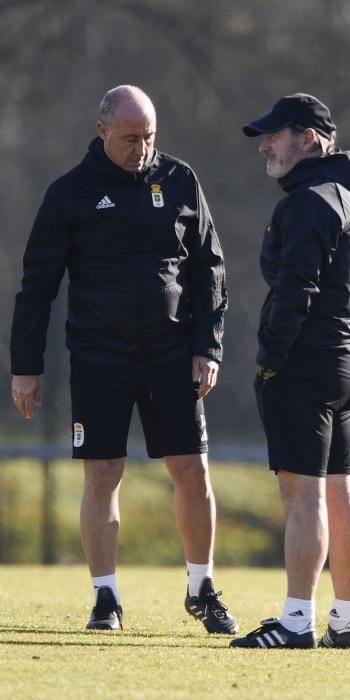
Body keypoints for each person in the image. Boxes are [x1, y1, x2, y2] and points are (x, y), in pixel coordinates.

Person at [10, 85, 238, 635]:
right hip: (98, 357)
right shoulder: (70, 193)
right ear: (103, 131)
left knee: (192, 470)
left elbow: (210, 269)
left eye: (150, 137)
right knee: (104, 474)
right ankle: (105, 599)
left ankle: (202, 589)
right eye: (132, 137)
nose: (142, 147)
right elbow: (37, 284)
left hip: (172, 355)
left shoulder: (180, 180)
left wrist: (208, 348)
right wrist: (26, 365)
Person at [230, 93, 350, 650]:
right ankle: (344, 620)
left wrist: (269, 358)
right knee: (340, 492)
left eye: (275, 135)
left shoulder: (310, 200)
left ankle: (296, 622)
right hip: (347, 364)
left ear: (309, 139)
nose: (265, 145)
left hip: (307, 365)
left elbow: (298, 290)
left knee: (304, 496)